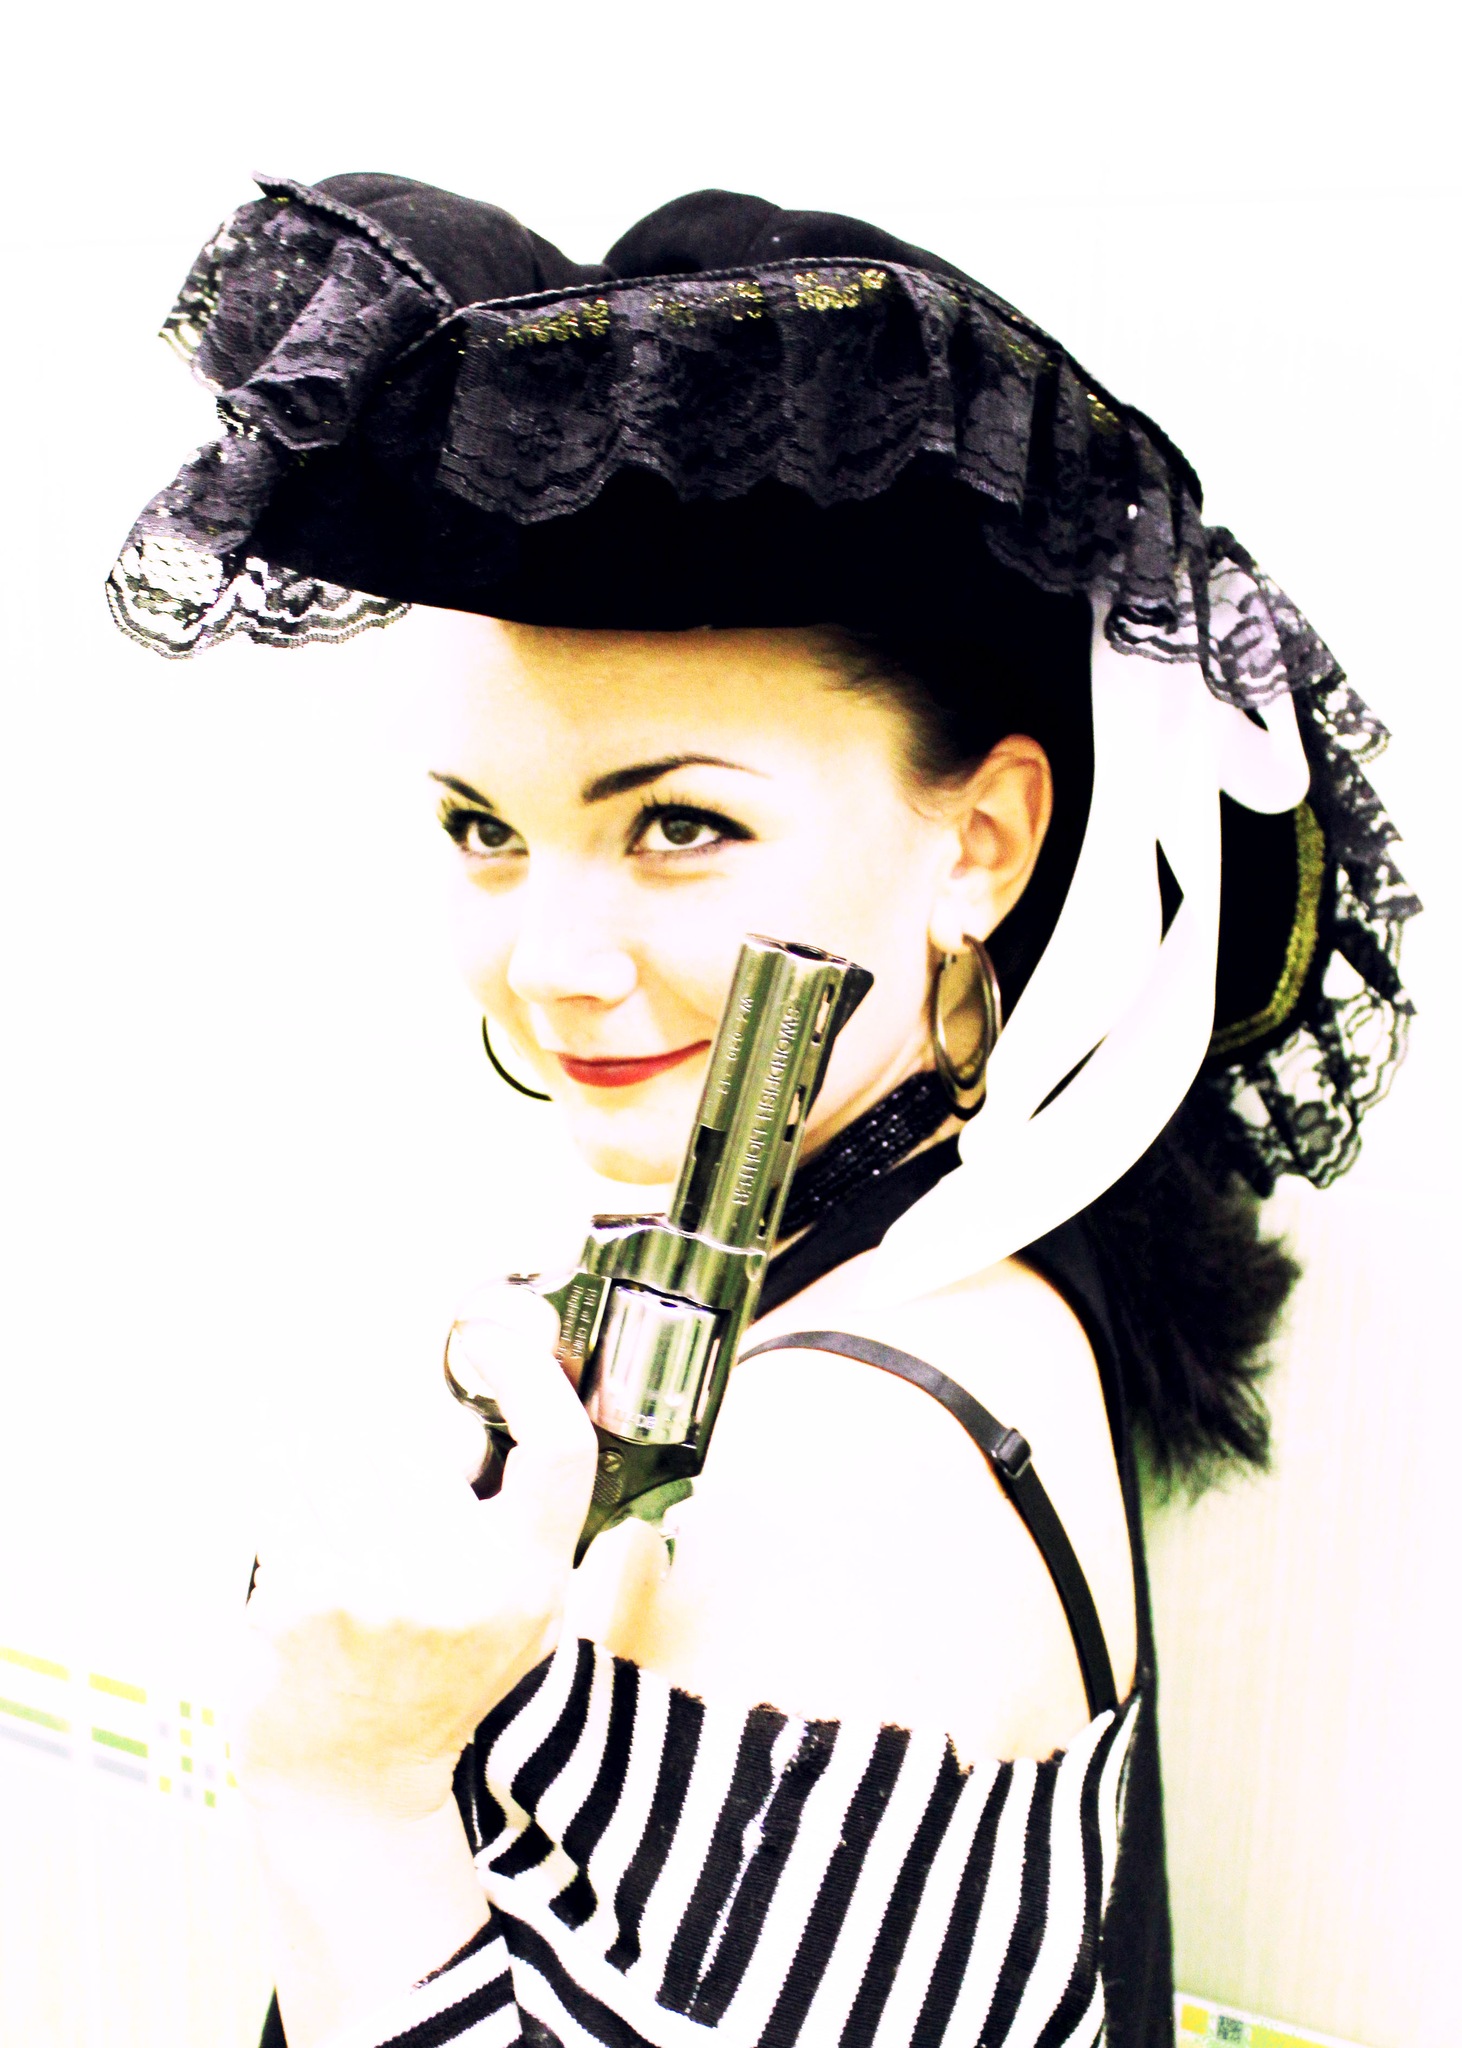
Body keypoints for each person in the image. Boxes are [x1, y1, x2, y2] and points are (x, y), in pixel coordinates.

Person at [107, 175, 1416, 2048]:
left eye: (679, 824)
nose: (551, 963)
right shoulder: (904, 1267)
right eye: (484, 828)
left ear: (980, 843)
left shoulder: (843, 1458)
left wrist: (350, 1786)